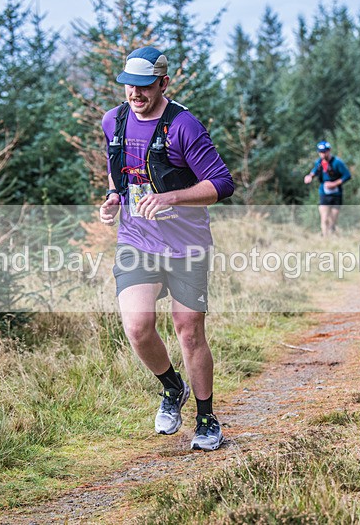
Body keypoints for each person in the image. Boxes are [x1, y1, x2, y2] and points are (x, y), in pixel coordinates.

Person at [99, 46, 235, 451]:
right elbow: (118, 170)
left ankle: (206, 419)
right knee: (137, 327)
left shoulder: (183, 126)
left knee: (188, 331)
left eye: (144, 86)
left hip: (186, 245)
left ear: (163, 83)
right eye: (129, 85)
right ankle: (172, 387)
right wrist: (113, 197)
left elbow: (222, 183)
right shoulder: (113, 121)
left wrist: (171, 197)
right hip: (137, 240)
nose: (135, 93)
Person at [303, 141, 352, 237]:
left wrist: (334, 184)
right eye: (321, 152)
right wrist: (310, 176)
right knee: (324, 218)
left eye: (324, 151)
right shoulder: (319, 162)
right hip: (324, 193)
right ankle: (325, 238)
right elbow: (314, 171)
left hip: (336, 194)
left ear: (329, 151)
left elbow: (347, 175)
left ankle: (332, 234)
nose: (323, 154)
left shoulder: (337, 162)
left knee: (333, 219)